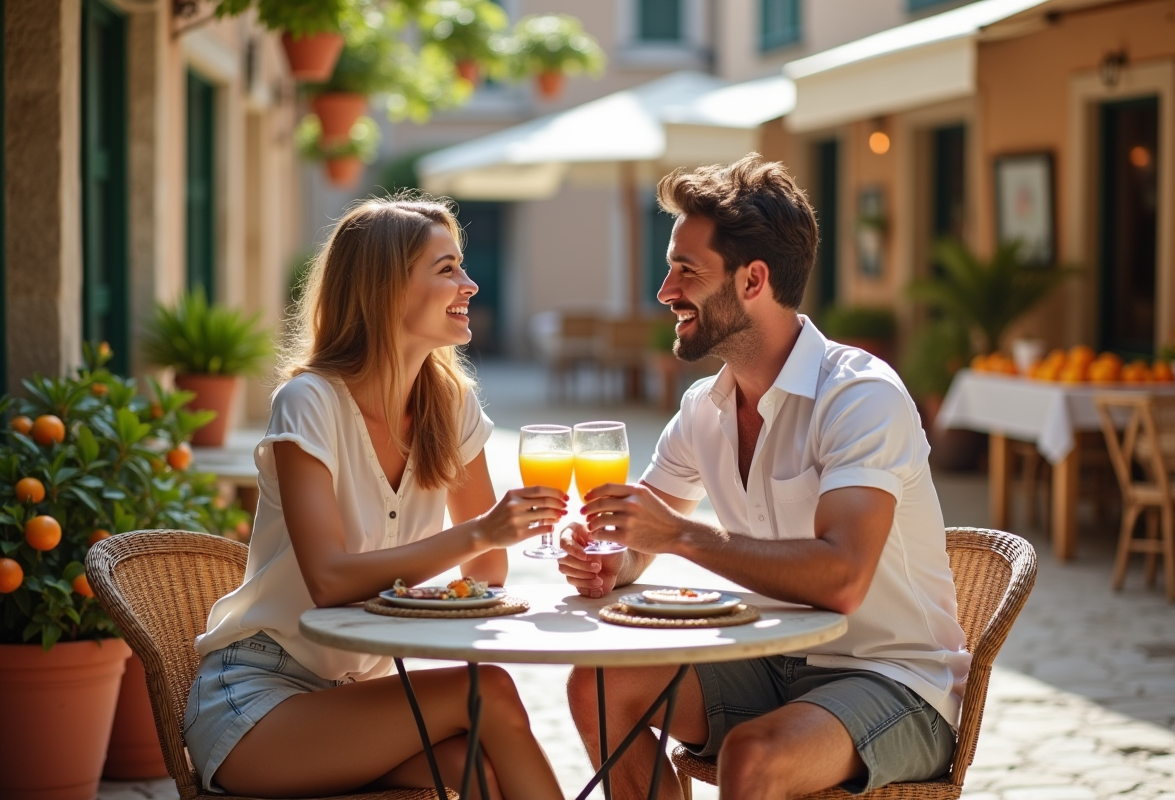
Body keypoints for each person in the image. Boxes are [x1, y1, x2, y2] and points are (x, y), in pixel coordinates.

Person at [557, 154, 969, 800]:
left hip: (893, 680)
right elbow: (643, 532)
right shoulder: (704, 409)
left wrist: (683, 538)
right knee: (597, 684)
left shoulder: (859, 396)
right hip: (770, 664)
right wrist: (613, 560)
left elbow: (841, 579)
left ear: (753, 280)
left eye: (686, 271)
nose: (665, 291)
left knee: (751, 756)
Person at [186, 196, 567, 800]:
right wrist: (483, 533)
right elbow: (331, 582)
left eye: (461, 266)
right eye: (446, 269)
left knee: (482, 776)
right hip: (258, 700)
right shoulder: (310, 402)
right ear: (385, 288)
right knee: (485, 689)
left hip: (354, 698)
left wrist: (491, 542)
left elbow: (487, 572)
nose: (468, 284)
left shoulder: (450, 405)